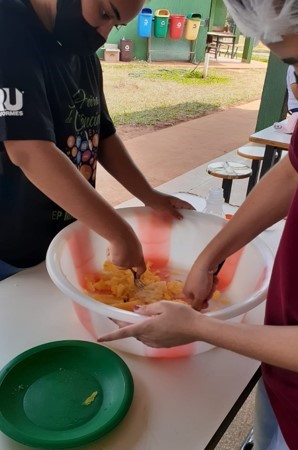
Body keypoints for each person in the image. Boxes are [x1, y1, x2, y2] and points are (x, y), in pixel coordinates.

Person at [99, 1, 298, 449]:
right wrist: (211, 256)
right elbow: (292, 171)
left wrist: (200, 328)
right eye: (291, 69)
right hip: (280, 371)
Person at [0, 0, 193, 282]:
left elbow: (102, 133)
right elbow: (28, 151)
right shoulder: (9, 28)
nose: (103, 35)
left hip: (59, 241)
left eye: (115, 25)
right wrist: (120, 233)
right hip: (10, 252)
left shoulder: (80, 51)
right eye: (104, 13)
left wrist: (149, 196)